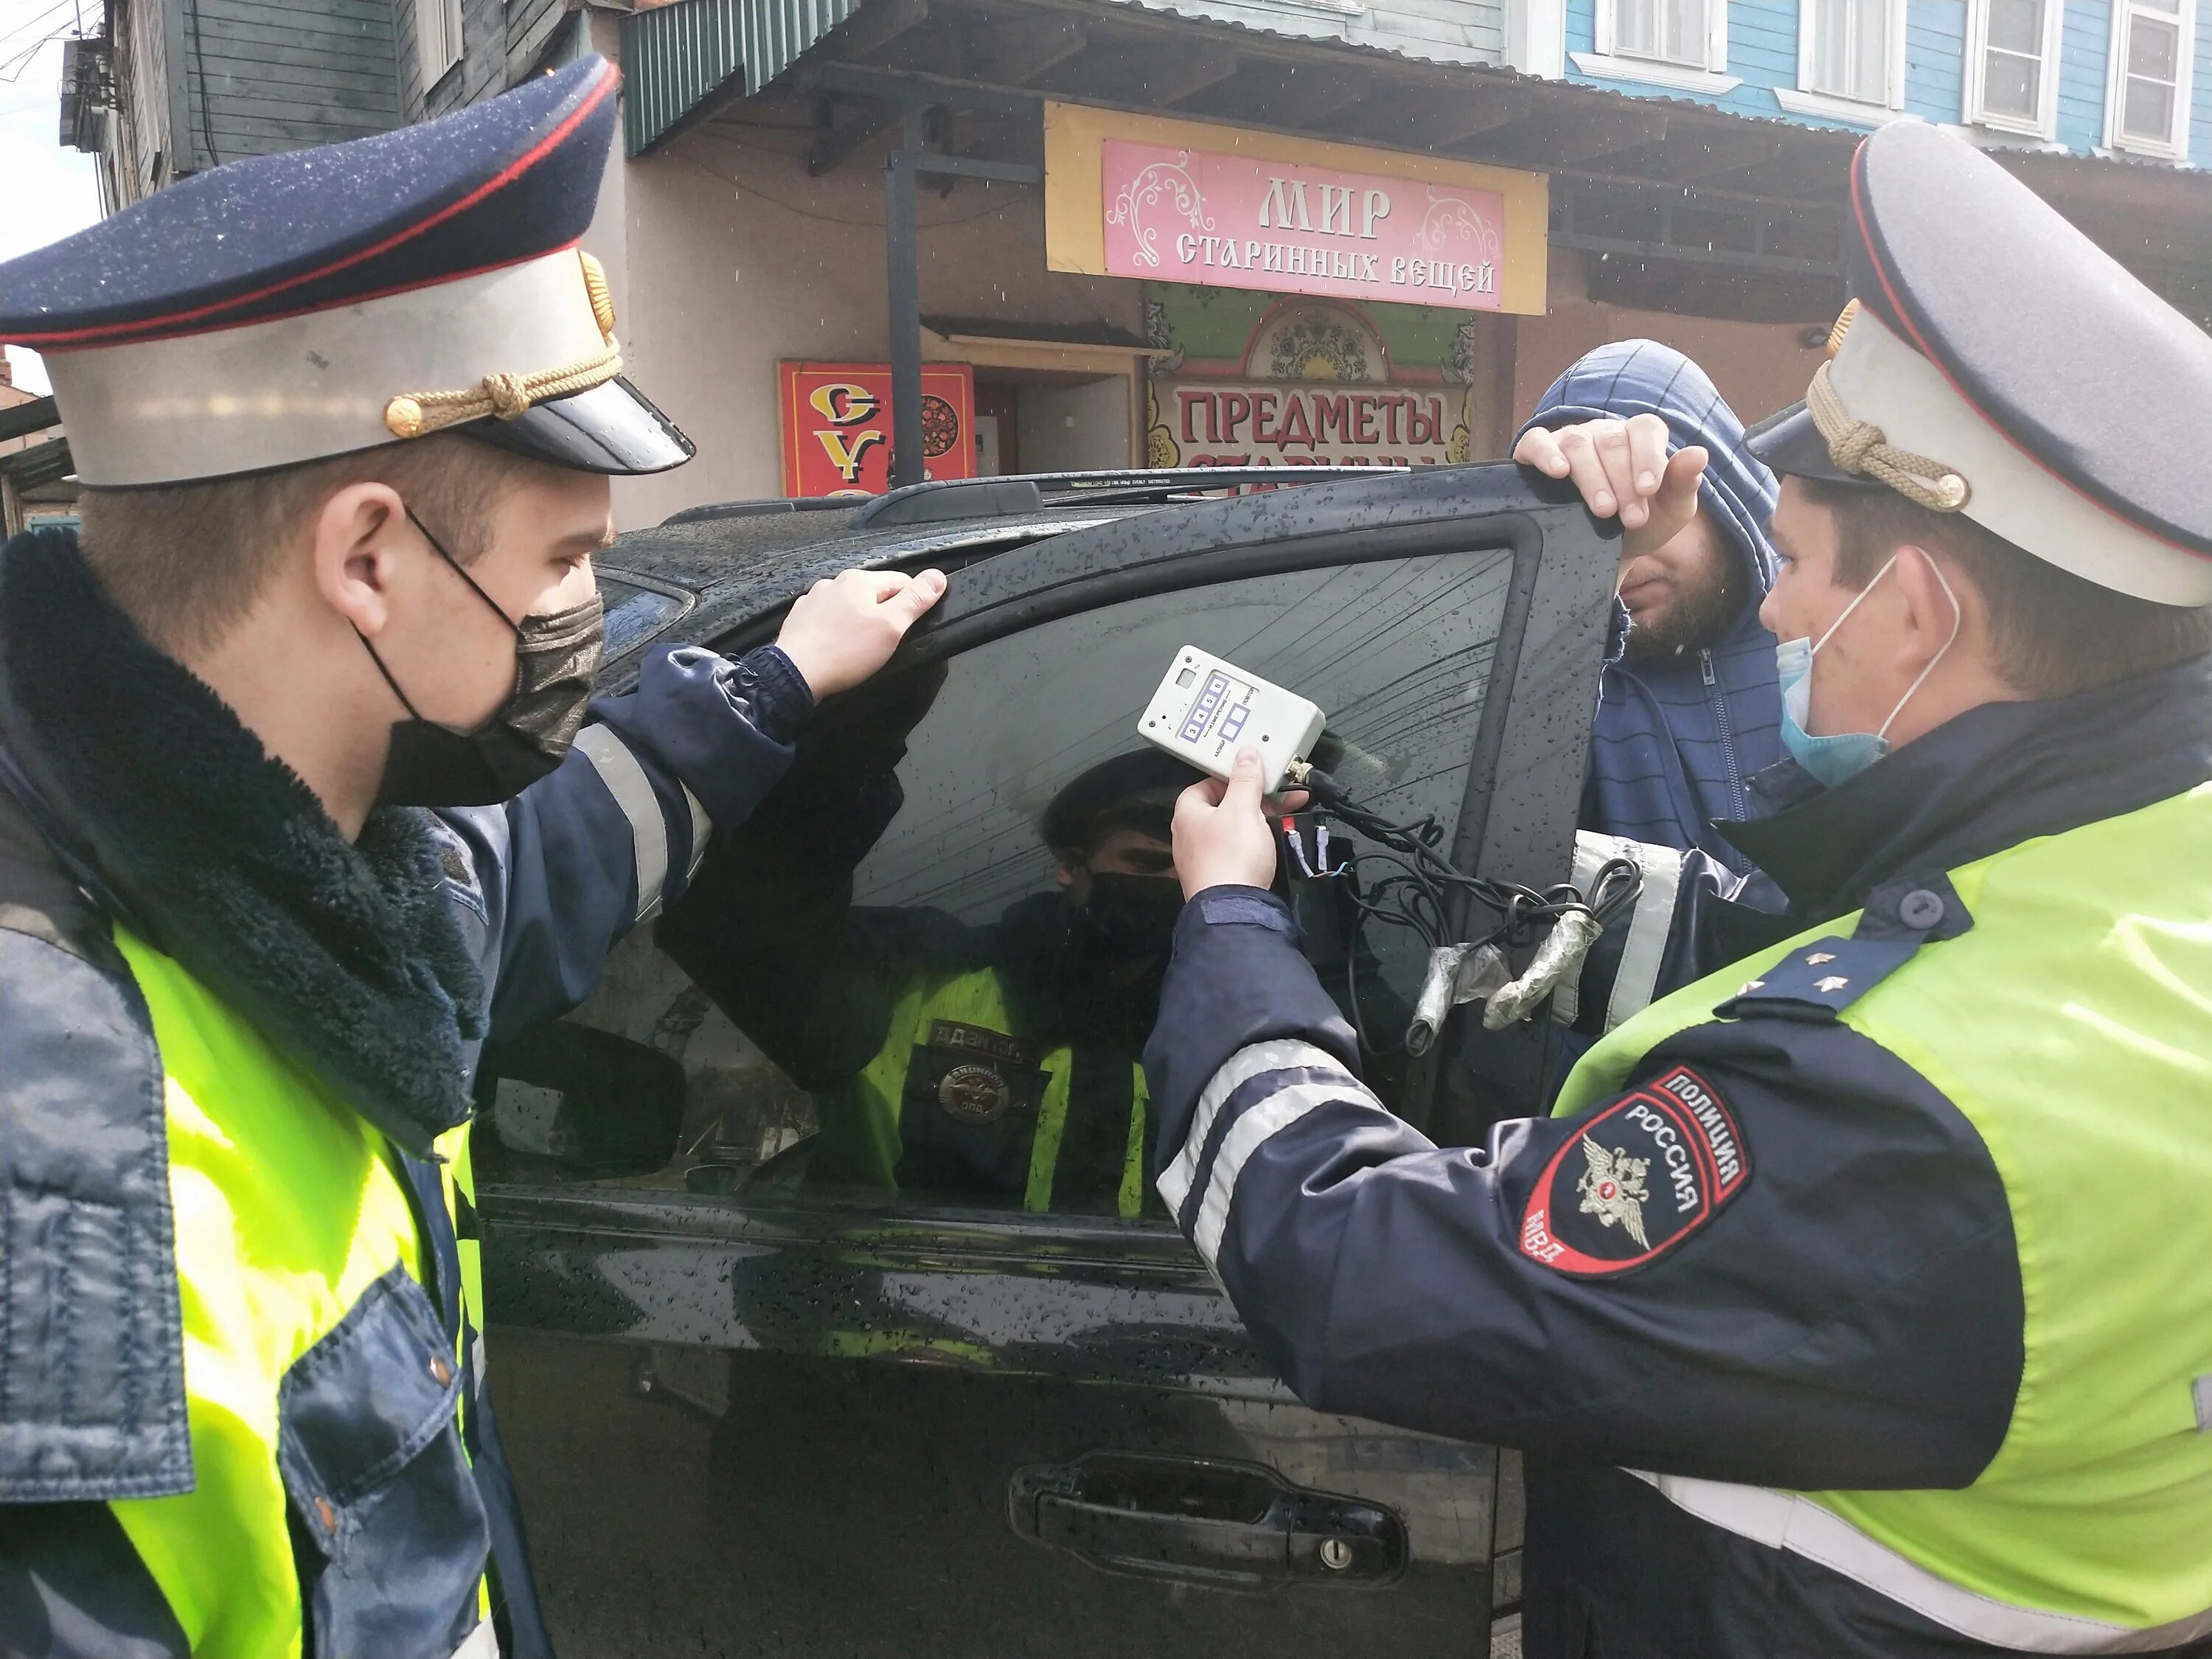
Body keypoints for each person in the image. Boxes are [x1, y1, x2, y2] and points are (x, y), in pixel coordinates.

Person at [1144, 116, 2212, 1657]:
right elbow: (1819, 931)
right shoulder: (2136, 879)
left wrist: (1231, 920)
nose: (1773, 602)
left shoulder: (1892, 1125)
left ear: (1912, 614)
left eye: (1803, 566)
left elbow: (1342, 1263)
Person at [0, 59, 943, 1659]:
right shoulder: (61, 1150)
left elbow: (561, 853)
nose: (588, 611)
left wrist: (785, 684)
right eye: (569, 561)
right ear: (369, 556)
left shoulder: (320, 872)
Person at [659, 740, 1200, 1217]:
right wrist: (864, 734)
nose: (1170, 892)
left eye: (1194, 875)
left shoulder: (1241, 1033)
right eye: (1146, 866)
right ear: (1070, 866)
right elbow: (740, 925)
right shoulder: (914, 977)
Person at [1514, 341, 1783, 871]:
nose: (1626, 559)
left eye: (1645, 501)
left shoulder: (1826, 649)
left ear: (1720, 489)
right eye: (1585, 526)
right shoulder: (1552, 682)